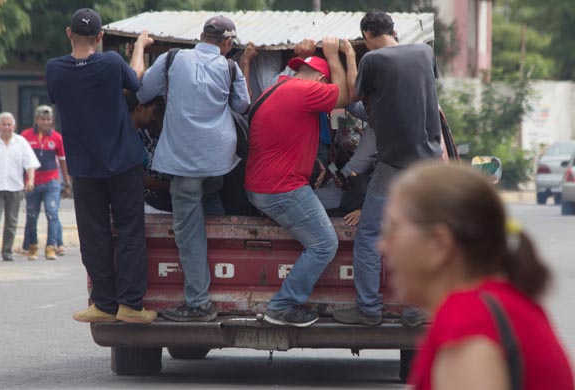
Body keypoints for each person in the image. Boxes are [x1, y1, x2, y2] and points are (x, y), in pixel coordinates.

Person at [380, 162, 574, 390]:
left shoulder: (468, 323)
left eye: (393, 228)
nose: (382, 245)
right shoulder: (497, 304)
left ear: (439, 243)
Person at [45, 8, 156, 324]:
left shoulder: (54, 69)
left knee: (94, 235)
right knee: (130, 232)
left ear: (69, 33)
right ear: (100, 36)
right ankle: (131, 305)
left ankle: (104, 304)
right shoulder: (110, 62)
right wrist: (138, 48)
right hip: (123, 163)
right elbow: (136, 81)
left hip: (84, 168)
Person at [333, 10, 442, 327]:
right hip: (428, 163)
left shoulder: (372, 61)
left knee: (369, 234)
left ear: (367, 35)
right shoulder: (424, 52)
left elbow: (354, 94)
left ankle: (368, 309)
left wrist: (350, 56)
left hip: (395, 164)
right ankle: (415, 311)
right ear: (394, 30)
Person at [137, 15, 250, 322]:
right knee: (213, 205)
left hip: (183, 159)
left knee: (189, 232)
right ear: (226, 44)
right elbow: (242, 106)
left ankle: (199, 301)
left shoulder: (172, 58)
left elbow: (144, 93)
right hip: (218, 160)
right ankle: (230, 277)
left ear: (201, 35)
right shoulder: (230, 67)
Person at [245, 37, 350, 327]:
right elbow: (343, 94)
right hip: (281, 189)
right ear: (319, 80)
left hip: (266, 184)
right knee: (325, 243)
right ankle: (283, 305)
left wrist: (311, 162)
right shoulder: (306, 90)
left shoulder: (279, 87)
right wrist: (335, 56)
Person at [0, 112, 40, 261]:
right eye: (4, 124)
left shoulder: (21, 142)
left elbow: (30, 164)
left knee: (11, 221)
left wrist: (30, 180)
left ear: (14, 126)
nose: (7, 127)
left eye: (9, 124)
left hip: (15, 187)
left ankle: (7, 251)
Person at [19, 105, 71, 260]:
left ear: (52, 120)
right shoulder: (25, 136)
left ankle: (51, 246)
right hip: (32, 182)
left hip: (52, 181)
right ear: (36, 119)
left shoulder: (57, 138)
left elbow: (62, 161)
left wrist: (66, 183)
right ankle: (33, 246)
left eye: (48, 119)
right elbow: (21, 160)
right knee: (32, 215)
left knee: (52, 212)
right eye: (42, 119)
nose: (45, 122)